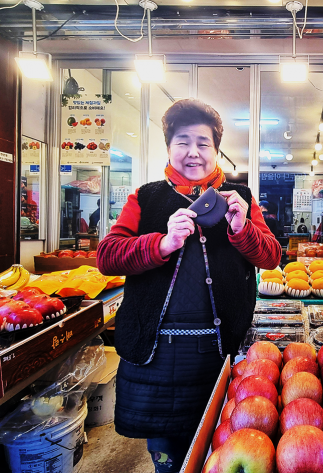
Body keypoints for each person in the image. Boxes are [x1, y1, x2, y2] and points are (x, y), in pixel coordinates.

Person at [96, 99, 281, 472]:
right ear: (169, 147)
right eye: (183, 141)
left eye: (203, 143)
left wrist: (242, 229)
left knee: (224, 451)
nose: (193, 152)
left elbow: (271, 257)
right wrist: (161, 244)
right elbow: (108, 256)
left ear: (216, 151)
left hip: (220, 354)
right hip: (158, 358)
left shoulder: (240, 198)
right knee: (168, 457)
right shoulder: (145, 197)